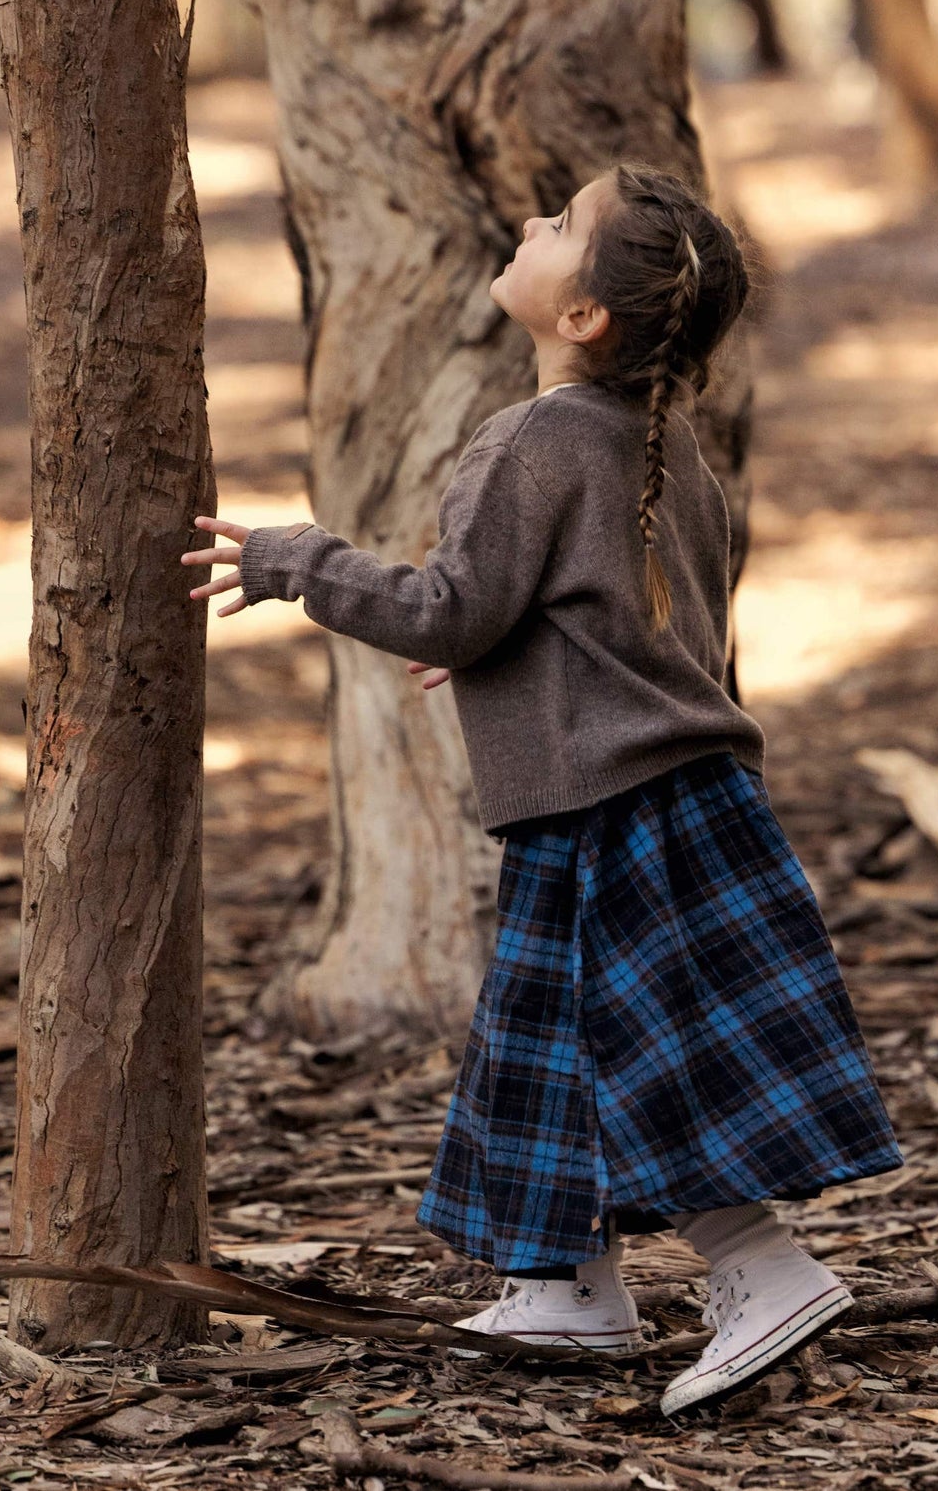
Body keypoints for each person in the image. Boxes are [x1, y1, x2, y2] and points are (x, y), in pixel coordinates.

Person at [181, 162, 901, 1413]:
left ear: (582, 318)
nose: (529, 222)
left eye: (559, 224)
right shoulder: (663, 448)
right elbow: (617, 624)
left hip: (611, 810)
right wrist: (504, 665)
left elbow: (454, 609)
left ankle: (758, 1264)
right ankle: (568, 1283)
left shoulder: (531, 440)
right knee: (558, 1043)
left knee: (644, 1045)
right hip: (685, 795)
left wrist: (300, 558)